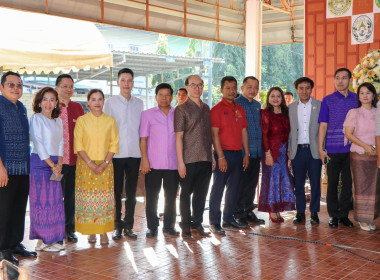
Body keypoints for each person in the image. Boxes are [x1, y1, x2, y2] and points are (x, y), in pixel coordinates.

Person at [0, 71, 36, 265]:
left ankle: (14, 244)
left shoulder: (21, 107)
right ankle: (1, 249)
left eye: (19, 84)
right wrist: (0, 168)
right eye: (11, 84)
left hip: (23, 169)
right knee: (3, 211)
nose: (16, 88)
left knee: (18, 209)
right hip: (5, 170)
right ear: (1, 87)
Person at [74, 89, 119, 244]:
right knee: (88, 199)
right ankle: (91, 231)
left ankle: (103, 232)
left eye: (100, 99)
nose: (97, 102)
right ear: (88, 103)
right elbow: (78, 144)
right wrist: (90, 164)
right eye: (93, 99)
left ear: (103, 102)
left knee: (104, 199)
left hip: (106, 165)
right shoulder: (82, 120)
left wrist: (105, 163)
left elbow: (114, 143)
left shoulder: (110, 121)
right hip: (85, 166)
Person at [103, 68, 143, 240]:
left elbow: (142, 130)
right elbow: (105, 129)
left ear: (133, 83)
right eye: (123, 80)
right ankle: (117, 226)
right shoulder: (110, 103)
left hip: (134, 153)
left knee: (132, 193)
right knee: (117, 192)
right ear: (118, 83)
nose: (127, 84)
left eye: (130, 80)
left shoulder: (139, 103)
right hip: (116, 154)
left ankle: (129, 226)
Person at [209, 76, 250, 235]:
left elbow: (244, 131)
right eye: (228, 88)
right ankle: (214, 222)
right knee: (218, 189)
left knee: (234, 189)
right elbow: (214, 135)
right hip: (223, 154)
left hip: (238, 154)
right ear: (221, 90)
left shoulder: (240, 109)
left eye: (234, 88)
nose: (231, 91)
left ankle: (228, 218)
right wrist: (220, 156)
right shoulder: (217, 109)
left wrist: (246, 153)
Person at [174, 75, 213, 239]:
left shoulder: (206, 108)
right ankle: (186, 226)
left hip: (206, 158)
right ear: (187, 87)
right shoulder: (181, 109)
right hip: (188, 159)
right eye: (193, 85)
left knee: (201, 194)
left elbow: (209, 135)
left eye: (200, 85)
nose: (197, 88)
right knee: (185, 194)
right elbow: (178, 137)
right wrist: (180, 162)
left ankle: (197, 224)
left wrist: (213, 156)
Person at [318, 68, 357, 228]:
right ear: (334, 80)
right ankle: (333, 215)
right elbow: (323, 126)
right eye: (338, 78)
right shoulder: (327, 100)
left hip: (351, 149)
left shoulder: (357, 99)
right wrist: (321, 148)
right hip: (332, 149)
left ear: (350, 80)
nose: (340, 81)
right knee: (332, 183)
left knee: (348, 183)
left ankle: (344, 215)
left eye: (344, 78)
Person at [140, 83, 179, 238]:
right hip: (153, 164)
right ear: (156, 97)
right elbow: (143, 140)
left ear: (172, 96)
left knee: (171, 196)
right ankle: (152, 226)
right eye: (161, 95)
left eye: (167, 95)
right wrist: (144, 160)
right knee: (152, 197)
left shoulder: (178, 113)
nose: (164, 98)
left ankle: (169, 226)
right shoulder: (147, 114)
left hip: (173, 164)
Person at [29, 87, 65, 251]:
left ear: (56, 102)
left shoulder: (58, 121)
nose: (48, 103)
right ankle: (43, 240)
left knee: (54, 203)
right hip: (40, 163)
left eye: (52, 99)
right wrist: (52, 165)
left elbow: (60, 144)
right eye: (45, 99)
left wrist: (59, 164)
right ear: (39, 101)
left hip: (55, 165)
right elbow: (39, 143)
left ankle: (50, 239)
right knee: (41, 203)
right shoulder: (36, 118)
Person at [344, 82, 379, 231]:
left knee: (375, 188)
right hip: (359, 154)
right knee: (361, 187)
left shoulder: (378, 112)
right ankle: (362, 220)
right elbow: (348, 133)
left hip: (375, 156)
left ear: (373, 95)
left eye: (368, 93)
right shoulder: (354, 112)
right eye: (362, 93)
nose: (365, 96)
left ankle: (370, 218)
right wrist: (365, 146)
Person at [288, 77, 322, 224]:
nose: (304, 91)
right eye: (301, 88)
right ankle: (300, 212)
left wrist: (323, 149)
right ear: (296, 90)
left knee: (315, 183)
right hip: (297, 151)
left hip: (314, 150)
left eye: (307, 88)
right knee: (299, 183)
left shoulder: (320, 105)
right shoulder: (290, 107)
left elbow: (323, 128)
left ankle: (314, 212)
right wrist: (289, 151)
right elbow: (289, 131)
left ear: (311, 89)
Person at [259, 87, 295, 222]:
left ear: (282, 98)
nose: (275, 99)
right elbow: (264, 135)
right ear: (268, 98)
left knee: (282, 180)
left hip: (283, 152)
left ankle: (278, 208)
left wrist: (288, 152)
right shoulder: (266, 113)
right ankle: (272, 210)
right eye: (272, 96)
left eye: (278, 96)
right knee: (272, 180)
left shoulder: (286, 113)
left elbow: (288, 135)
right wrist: (268, 154)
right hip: (271, 152)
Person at [56, 74, 85, 243]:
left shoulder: (78, 108)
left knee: (71, 196)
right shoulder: (51, 107)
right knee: (56, 197)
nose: (68, 89)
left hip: (74, 160)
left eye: (71, 86)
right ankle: (57, 230)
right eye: (65, 86)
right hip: (56, 162)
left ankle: (69, 229)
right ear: (57, 88)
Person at [234, 76, 265, 225]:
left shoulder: (257, 105)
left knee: (252, 183)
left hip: (257, 152)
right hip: (241, 152)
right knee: (240, 183)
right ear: (242, 88)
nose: (253, 90)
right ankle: (237, 212)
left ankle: (248, 210)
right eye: (249, 87)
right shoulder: (236, 104)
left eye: (255, 87)